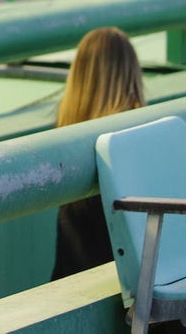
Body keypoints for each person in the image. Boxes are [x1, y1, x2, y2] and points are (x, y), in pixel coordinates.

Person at [51, 27, 144, 280]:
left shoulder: (62, 130)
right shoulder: (138, 131)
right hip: (129, 279)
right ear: (130, 72)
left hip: (73, 277)